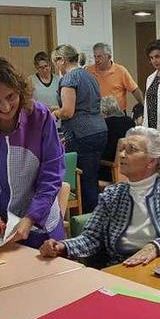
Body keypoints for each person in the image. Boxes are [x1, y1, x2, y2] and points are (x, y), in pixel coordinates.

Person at [39, 127, 160, 267]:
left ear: (152, 161)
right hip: (120, 269)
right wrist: (62, 246)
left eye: (131, 150)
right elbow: (91, 239)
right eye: (122, 149)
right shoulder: (113, 194)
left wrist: (156, 246)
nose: (123, 155)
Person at [0, 57, 65, 248]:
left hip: (40, 224)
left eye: (10, 97)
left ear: (20, 91)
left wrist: (31, 218)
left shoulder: (40, 117)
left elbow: (51, 175)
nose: (6, 107)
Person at [52, 44, 108, 213]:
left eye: (55, 62)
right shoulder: (89, 76)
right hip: (99, 130)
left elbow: (68, 112)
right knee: (92, 177)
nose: (56, 67)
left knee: (84, 181)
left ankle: (88, 221)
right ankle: (97, 216)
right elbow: (83, 105)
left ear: (61, 60)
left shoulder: (69, 79)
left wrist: (54, 114)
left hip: (81, 134)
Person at [86, 43, 143, 112]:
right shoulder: (88, 71)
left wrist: (143, 106)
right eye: (95, 57)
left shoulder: (121, 71)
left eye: (99, 57)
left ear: (109, 57)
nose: (96, 60)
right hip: (96, 114)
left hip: (118, 115)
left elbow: (134, 90)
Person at [100, 96, 135, 180]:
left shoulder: (105, 125)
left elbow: (105, 151)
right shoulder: (130, 121)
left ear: (104, 111)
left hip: (109, 170)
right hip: (130, 167)